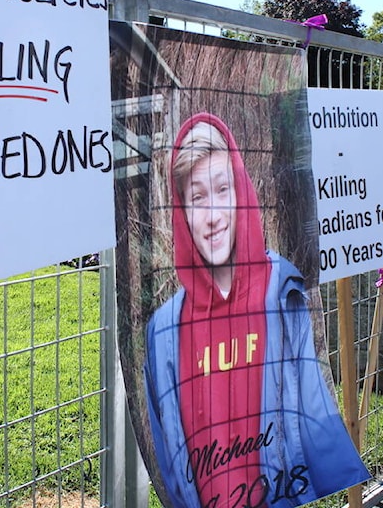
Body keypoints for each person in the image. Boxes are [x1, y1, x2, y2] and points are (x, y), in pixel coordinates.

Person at [143, 113, 369, 508]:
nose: (212, 216)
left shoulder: (282, 292)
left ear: (242, 192)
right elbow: (168, 457)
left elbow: (312, 414)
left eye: (222, 189)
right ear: (181, 211)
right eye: (197, 197)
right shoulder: (163, 330)